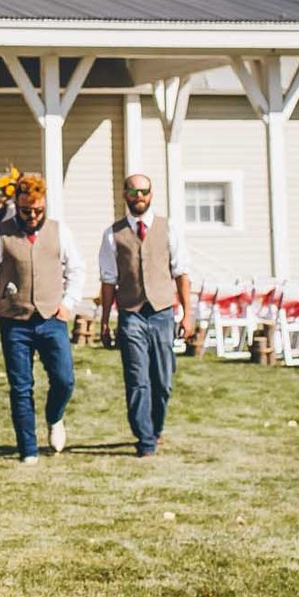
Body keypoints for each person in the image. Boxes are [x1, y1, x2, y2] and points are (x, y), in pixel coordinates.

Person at [0, 172, 89, 463]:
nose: (32, 216)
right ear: (17, 206)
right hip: (14, 319)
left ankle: (54, 417)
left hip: (51, 317)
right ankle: (28, 450)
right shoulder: (0, 233)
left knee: (64, 380)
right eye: (26, 211)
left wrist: (68, 303)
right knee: (21, 386)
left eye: (38, 211)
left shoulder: (60, 232)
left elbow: (77, 269)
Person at [96, 173, 197, 457]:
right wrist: (105, 321)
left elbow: (181, 272)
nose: (139, 197)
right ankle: (145, 439)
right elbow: (108, 280)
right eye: (133, 191)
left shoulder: (168, 229)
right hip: (131, 314)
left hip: (163, 313)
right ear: (125, 195)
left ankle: (156, 427)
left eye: (144, 191)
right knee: (137, 377)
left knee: (162, 380)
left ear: (151, 194)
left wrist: (188, 314)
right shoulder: (112, 234)